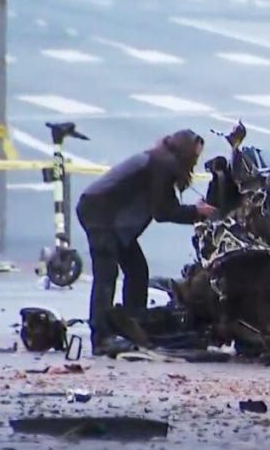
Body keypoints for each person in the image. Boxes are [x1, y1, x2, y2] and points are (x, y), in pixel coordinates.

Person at [76, 129, 217, 356]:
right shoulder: (162, 165)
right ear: (184, 153)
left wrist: (196, 210)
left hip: (113, 220)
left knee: (137, 269)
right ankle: (101, 337)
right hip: (101, 215)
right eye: (194, 157)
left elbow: (164, 204)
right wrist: (197, 212)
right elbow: (163, 210)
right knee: (106, 275)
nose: (196, 162)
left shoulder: (160, 159)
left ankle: (134, 323)